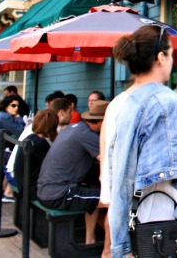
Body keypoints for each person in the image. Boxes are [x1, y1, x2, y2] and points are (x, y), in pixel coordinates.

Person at [106, 24, 177, 257]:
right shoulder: (169, 104)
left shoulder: (124, 104)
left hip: (141, 216)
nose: (172, 60)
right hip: (169, 214)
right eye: (170, 54)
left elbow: (121, 177)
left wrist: (119, 243)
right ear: (160, 57)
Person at [38, 100, 109, 247]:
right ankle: (110, 250)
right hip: (60, 194)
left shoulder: (74, 128)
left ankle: (91, 240)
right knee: (114, 200)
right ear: (102, 121)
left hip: (47, 189)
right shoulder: (87, 135)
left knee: (94, 192)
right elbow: (110, 162)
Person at [6, 97, 73, 186]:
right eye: (70, 112)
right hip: (25, 182)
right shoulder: (42, 139)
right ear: (61, 113)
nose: (72, 115)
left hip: (16, 173)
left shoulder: (35, 132)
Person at [13, 110, 59, 199]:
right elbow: (52, 166)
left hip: (22, 184)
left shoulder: (30, 138)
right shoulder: (41, 143)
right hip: (32, 189)